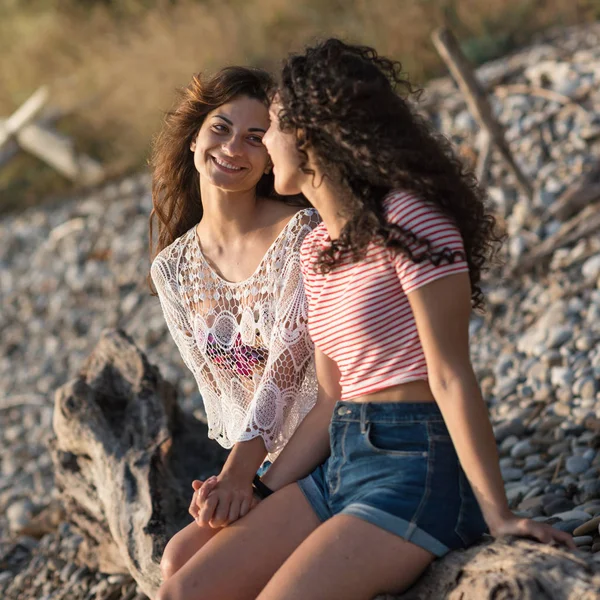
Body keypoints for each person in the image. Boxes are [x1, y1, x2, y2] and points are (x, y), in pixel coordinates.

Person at [155, 41, 575, 600]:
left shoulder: (410, 221)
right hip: (341, 460)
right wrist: (258, 488)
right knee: (183, 588)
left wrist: (498, 514)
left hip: (414, 467)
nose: (262, 145)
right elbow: (331, 397)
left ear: (311, 135)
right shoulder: (318, 249)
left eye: (270, 129)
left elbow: (451, 375)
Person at [148, 66, 320, 582]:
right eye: (220, 129)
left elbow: (286, 371)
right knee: (176, 558)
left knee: (186, 566)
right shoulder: (172, 271)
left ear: (271, 157)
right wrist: (224, 485)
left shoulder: (301, 234)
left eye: (254, 137)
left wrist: (239, 479)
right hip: (262, 466)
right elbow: (227, 394)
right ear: (194, 138)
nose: (232, 148)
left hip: (325, 446)